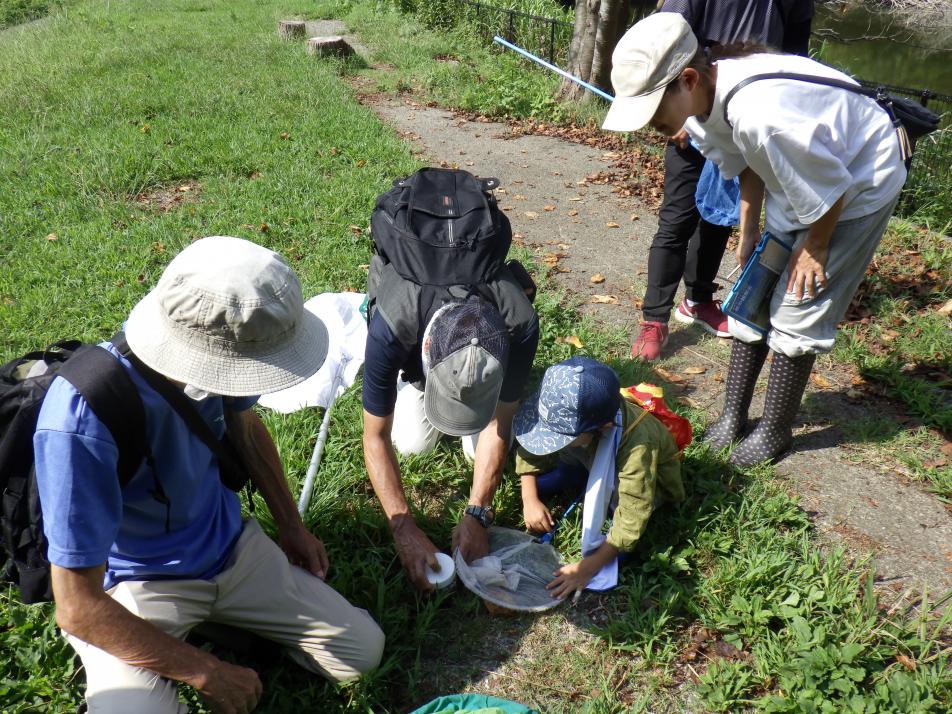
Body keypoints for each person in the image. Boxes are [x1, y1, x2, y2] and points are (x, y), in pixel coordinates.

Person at [34, 236, 384, 713]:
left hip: (231, 548)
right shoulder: (82, 418)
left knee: (361, 653)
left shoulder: (224, 355)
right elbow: (77, 606)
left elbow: (246, 428)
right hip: (137, 583)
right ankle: (194, 637)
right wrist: (205, 671)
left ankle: (214, 622)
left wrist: (291, 525)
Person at [603, 13, 906, 466]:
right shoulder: (702, 108)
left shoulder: (761, 113)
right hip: (808, 177)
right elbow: (748, 165)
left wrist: (814, 247)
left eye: (651, 109)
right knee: (754, 293)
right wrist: (750, 233)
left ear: (687, 79)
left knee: (799, 305)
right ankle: (732, 417)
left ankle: (774, 431)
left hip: (859, 178)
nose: (648, 125)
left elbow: (831, 188)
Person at [625, 0, 815, 361]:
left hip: (746, 115)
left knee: (718, 217)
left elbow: (795, 57)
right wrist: (679, 113)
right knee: (676, 220)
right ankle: (654, 318)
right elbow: (663, 38)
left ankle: (698, 300)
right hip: (689, 106)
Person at [362, 267, 540, 591]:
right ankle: (415, 388)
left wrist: (478, 511)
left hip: (481, 373)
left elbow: (500, 421)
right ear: (427, 347)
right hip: (417, 353)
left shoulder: (520, 323)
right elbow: (375, 435)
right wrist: (403, 527)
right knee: (410, 443)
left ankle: (471, 395)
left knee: (480, 453)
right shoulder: (390, 326)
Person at [513, 357, 684, 599]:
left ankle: (585, 489)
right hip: (587, 453)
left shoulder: (637, 447)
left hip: (647, 485)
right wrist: (529, 498)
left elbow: (632, 517)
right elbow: (532, 447)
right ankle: (572, 475)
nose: (549, 441)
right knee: (562, 470)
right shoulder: (580, 421)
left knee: (617, 546)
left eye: (560, 437)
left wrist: (587, 568)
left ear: (603, 427)